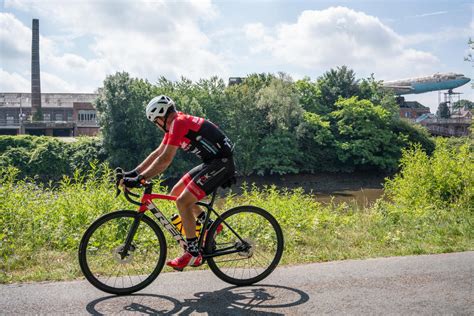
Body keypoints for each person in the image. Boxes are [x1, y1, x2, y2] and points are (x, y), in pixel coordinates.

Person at [121, 95, 235, 270]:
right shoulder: (176, 124)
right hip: (212, 163)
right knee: (176, 193)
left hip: (221, 164)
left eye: (155, 122)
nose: (157, 126)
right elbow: (158, 153)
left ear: (161, 117)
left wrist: (141, 179)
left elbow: (165, 160)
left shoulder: (179, 123)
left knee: (183, 201)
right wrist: (134, 173)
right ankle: (211, 225)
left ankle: (193, 254)